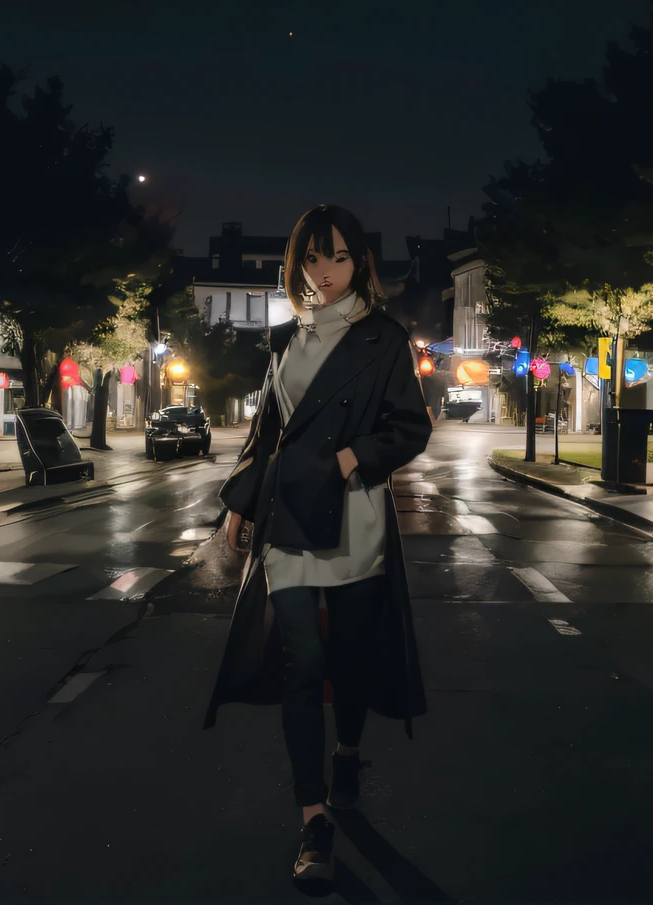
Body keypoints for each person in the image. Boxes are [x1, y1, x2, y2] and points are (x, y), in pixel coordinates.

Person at [202, 204, 433, 882]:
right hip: (288, 523)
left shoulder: (383, 338)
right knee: (303, 662)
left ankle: (347, 751)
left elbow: (410, 429)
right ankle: (313, 823)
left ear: (358, 261)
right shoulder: (282, 341)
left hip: (352, 520)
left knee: (351, 660)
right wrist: (239, 504)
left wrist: (347, 460)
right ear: (295, 264)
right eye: (310, 259)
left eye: (335, 258)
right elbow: (265, 432)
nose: (322, 273)